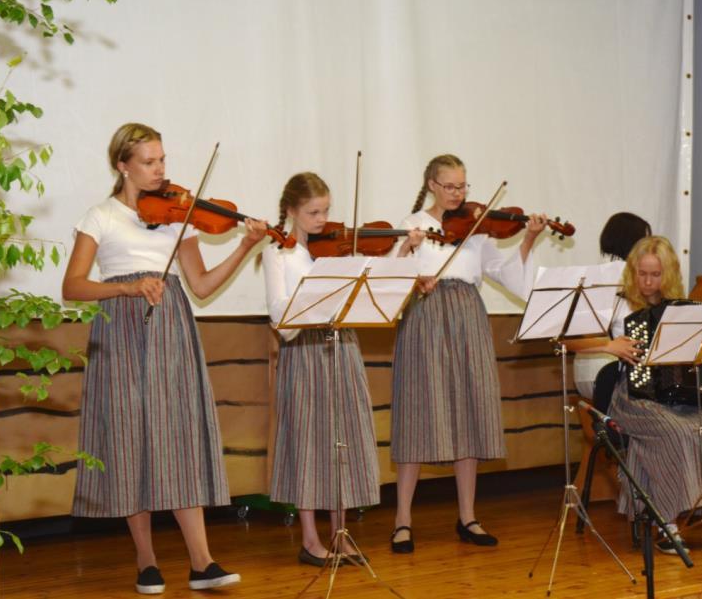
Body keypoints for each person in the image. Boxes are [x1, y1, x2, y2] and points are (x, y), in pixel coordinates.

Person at [63, 123, 267, 594]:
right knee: (131, 439)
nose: (160, 171)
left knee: (178, 439)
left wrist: (244, 246)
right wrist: (129, 287)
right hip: (121, 331)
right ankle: (146, 560)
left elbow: (200, 286)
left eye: (162, 160)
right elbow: (72, 286)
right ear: (123, 166)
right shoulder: (100, 216)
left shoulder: (178, 216)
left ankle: (202, 561)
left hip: (171, 328)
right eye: (149, 162)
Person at [389, 153, 550, 553]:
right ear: (431, 185)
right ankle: (402, 521)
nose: (458, 194)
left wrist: (528, 237)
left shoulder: (477, 229)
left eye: (463, 186)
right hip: (426, 319)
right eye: (450, 186)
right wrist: (409, 259)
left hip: (468, 318)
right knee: (417, 412)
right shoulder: (412, 226)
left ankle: (468, 516)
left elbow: (511, 279)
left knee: (470, 411)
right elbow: (391, 277)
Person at [261, 172, 380, 566]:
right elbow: (280, 316)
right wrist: (310, 302)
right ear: (291, 210)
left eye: (326, 210)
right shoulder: (277, 252)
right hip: (305, 350)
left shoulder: (332, 251)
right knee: (309, 443)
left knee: (343, 438)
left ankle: (341, 533)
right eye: (313, 212)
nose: (321, 219)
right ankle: (310, 539)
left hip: (342, 348)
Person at [605, 236, 702, 554]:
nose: (647, 281)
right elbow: (576, 340)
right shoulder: (616, 303)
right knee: (674, 432)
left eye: (655, 274)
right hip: (633, 396)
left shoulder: (683, 309)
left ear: (667, 275)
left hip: (678, 398)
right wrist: (609, 345)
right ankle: (664, 524)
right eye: (641, 273)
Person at [574, 212, 652, 400]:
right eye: (646, 243)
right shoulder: (627, 277)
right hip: (609, 373)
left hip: (583, 373)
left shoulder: (594, 273)